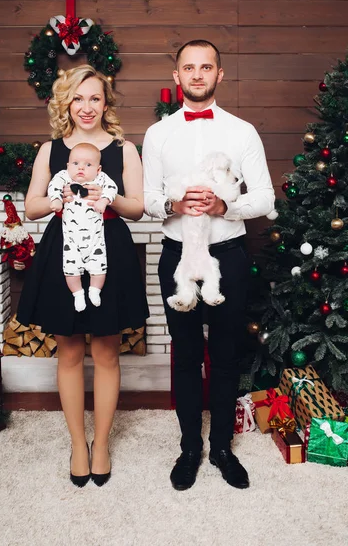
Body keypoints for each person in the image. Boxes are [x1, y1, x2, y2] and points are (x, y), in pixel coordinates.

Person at [143, 40, 275, 491]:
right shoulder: (158, 134)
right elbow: (145, 201)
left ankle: (220, 447)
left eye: (206, 67)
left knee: (224, 356)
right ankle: (188, 448)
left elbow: (264, 197)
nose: (197, 75)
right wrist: (173, 202)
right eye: (188, 67)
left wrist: (225, 206)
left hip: (228, 257)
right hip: (177, 254)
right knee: (184, 356)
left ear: (219, 75)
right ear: (176, 77)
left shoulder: (242, 132)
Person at [17, 65, 149, 488]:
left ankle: (103, 442)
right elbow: (31, 207)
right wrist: (57, 201)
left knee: (108, 353)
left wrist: (107, 199)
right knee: (69, 352)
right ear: (66, 103)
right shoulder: (51, 151)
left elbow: (138, 207)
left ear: (105, 102)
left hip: (109, 250)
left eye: (94, 98)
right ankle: (78, 443)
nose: (87, 107)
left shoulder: (124, 149)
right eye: (78, 98)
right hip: (64, 252)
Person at [48, 142, 118, 312]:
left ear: (98, 169)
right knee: (70, 270)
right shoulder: (64, 176)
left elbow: (112, 188)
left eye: (88, 164)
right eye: (75, 163)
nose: (81, 168)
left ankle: (95, 291)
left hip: (95, 238)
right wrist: (56, 199)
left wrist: (104, 200)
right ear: (68, 165)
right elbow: (54, 186)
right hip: (71, 239)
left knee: (99, 267)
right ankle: (78, 294)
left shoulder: (100, 179)